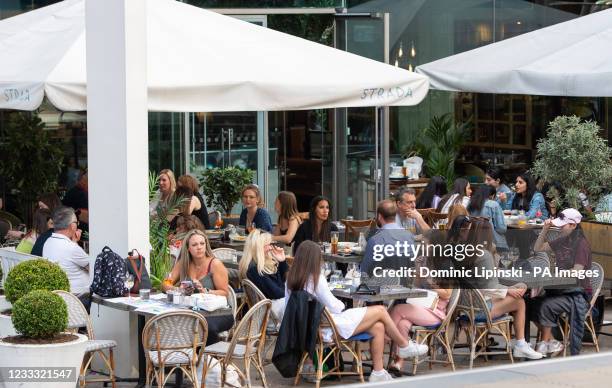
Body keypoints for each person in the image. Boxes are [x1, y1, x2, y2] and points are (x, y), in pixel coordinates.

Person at [286, 240, 427, 382]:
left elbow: (290, 308)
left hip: (308, 330)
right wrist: (341, 303)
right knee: (381, 310)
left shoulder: (290, 280)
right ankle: (403, 345)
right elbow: (337, 307)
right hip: (329, 328)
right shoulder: (317, 279)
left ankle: (378, 373)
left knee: (378, 326)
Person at [448, 216, 544, 359]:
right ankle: (521, 344)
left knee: (514, 294)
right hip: (480, 309)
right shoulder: (483, 254)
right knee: (519, 302)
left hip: (463, 306)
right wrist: (509, 289)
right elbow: (489, 286)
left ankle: (517, 343)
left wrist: (510, 287)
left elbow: (481, 281)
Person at [532, 208, 592, 355]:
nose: (558, 227)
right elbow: (537, 248)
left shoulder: (581, 244)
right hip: (562, 289)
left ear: (573, 225)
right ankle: (552, 342)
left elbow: (577, 272)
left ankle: (545, 345)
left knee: (545, 305)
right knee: (530, 304)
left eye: (562, 225)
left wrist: (554, 276)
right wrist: (545, 230)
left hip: (579, 293)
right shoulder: (562, 239)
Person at [163, 229, 233, 345]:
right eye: (194, 245)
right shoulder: (184, 263)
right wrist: (178, 289)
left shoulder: (215, 264)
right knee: (175, 323)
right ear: (188, 248)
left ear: (206, 245)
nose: (199, 247)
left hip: (219, 312)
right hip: (194, 312)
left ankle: (207, 359)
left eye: (202, 243)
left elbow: (225, 293)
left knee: (203, 326)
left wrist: (205, 291)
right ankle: (186, 357)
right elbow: (165, 284)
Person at [388, 253, 452, 373]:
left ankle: (384, 339)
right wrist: (418, 273)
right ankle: (398, 362)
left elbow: (447, 294)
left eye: (427, 244)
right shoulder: (426, 263)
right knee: (402, 324)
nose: (423, 248)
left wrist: (429, 281)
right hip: (421, 306)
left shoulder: (446, 265)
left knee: (398, 309)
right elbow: (416, 287)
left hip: (435, 313)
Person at [42, 206, 91, 310]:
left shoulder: (48, 242)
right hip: (77, 299)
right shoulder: (71, 248)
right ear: (71, 226)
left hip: (61, 296)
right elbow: (94, 269)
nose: (77, 225)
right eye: (76, 223)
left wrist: (74, 242)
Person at [239, 229, 288, 321]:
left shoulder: (263, 264)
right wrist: (293, 292)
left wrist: (282, 262)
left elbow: (282, 282)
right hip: (268, 311)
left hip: (275, 305)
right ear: (258, 247)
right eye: (268, 245)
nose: (271, 248)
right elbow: (277, 293)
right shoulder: (254, 269)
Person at [361, 200, 416, 281]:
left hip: (380, 289)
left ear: (379, 216)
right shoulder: (410, 237)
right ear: (395, 215)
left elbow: (364, 272)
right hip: (406, 287)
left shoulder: (375, 241)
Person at [467, 185, 508, 252]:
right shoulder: (493, 204)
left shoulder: (470, 204)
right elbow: (501, 229)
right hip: (494, 244)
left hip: (474, 242)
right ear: (492, 196)